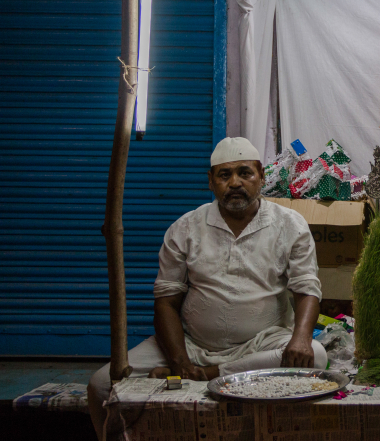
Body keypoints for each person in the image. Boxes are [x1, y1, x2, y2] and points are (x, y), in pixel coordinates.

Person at [88, 137, 325, 437]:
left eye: (245, 173)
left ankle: (207, 376)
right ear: (210, 181)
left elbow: (307, 288)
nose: (235, 182)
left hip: (262, 344)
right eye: (225, 175)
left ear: (262, 177)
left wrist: (301, 338)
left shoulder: (290, 224)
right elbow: (166, 301)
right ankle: (191, 373)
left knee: (315, 354)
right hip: (193, 346)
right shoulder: (185, 228)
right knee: (100, 384)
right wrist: (180, 360)